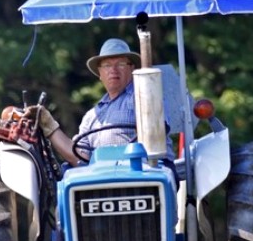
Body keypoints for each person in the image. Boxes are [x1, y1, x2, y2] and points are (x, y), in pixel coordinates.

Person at [28, 38, 174, 167]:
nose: (113, 70)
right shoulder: (92, 117)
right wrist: (49, 125)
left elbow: (157, 135)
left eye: (121, 63)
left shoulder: (144, 97)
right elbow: (80, 159)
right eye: (107, 65)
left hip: (145, 172)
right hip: (103, 179)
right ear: (100, 74)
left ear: (132, 68)